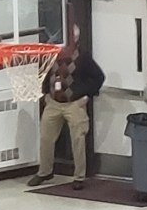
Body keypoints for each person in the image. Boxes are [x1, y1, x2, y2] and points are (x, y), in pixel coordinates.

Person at [27, 35, 105, 191]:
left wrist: (87, 95)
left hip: (74, 103)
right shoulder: (51, 53)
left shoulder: (83, 56)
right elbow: (43, 72)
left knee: (78, 139)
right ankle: (45, 172)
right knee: (46, 137)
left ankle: (79, 176)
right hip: (54, 103)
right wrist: (46, 93)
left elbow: (98, 77)